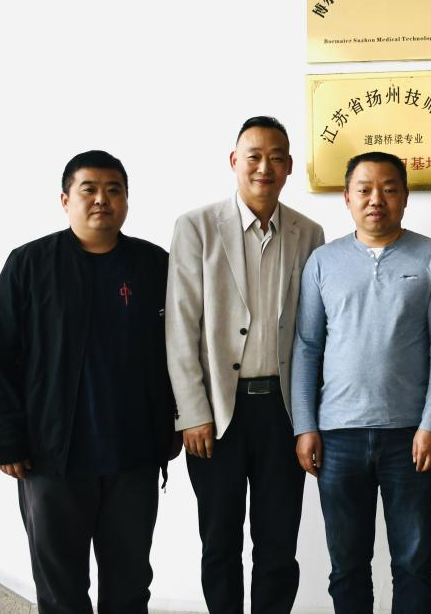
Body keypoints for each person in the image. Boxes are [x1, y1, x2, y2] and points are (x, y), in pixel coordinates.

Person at [0, 150, 175, 614]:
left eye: (114, 190)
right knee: (60, 591)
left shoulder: (154, 266)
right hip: (50, 457)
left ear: (127, 200)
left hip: (133, 455)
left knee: (129, 587)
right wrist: (6, 439)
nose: (102, 199)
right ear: (65, 200)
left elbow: (183, 349)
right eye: (89, 189)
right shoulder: (30, 264)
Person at [165, 116, 324, 614]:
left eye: (276, 157)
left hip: (282, 410)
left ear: (289, 166)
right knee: (220, 542)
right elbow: (180, 327)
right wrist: (192, 412)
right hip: (217, 412)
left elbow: (312, 334)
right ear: (234, 161)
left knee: (278, 544)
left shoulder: (308, 233)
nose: (264, 167)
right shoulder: (196, 227)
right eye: (253, 156)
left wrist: (309, 419)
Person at [292, 151, 431, 614]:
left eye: (388, 189)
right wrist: (305, 425)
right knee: (347, 566)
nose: (376, 199)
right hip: (337, 435)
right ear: (346, 198)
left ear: (405, 196)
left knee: (413, 563)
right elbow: (307, 345)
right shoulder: (323, 261)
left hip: (409, 435)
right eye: (364, 189)